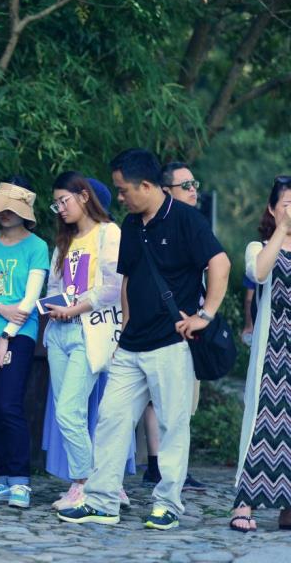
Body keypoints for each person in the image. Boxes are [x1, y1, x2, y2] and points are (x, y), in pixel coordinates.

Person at [58, 148, 230, 530]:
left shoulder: (186, 219)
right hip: (131, 345)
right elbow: (129, 280)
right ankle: (102, 501)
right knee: (111, 419)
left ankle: (167, 504)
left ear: (147, 186)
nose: (119, 197)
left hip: (171, 343)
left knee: (172, 427)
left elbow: (220, 263)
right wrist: (123, 329)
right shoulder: (132, 224)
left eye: (123, 190)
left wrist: (205, 316)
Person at [41, 172, 124, 511]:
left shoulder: (108, 233)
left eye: (64, 201)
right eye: (56, 204)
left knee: (69, 411)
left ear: (84, 196)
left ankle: (84, 484)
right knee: (69, 413)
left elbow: (113, 286)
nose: (60, 208)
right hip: (59, 332)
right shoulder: (64, 241)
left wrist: (74, 307)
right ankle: (106, 483)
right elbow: (53, 287)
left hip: (88, 331)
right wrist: (54, 307)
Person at [0, 178, 48, 508]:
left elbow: (29, 301)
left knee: (9, 405)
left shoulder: (37, 246)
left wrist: (6, 337)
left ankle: (20, 482)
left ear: (25, 211)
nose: (4, 212)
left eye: (11, 208)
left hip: (19, 335)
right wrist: (2, 309)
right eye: (0, 206)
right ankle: (3, 479)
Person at [140, 161, 207, 492]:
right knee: (160, 400)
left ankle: (171, 467)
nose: (193, 190)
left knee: (184, 401)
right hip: (164, 325)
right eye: (186, 186)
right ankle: (158, 466)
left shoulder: (192, 224)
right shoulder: (154, 227)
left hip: (191, 325)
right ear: (165, 191)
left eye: (195, 184)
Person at [229, 176, 291, 532]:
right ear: (272, 208)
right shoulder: (259, 246)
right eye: (287, 204)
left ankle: (288, 506)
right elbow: (259, 272)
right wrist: (282, 230)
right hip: (273, 349)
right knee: (261, 421)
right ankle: (243, 503)